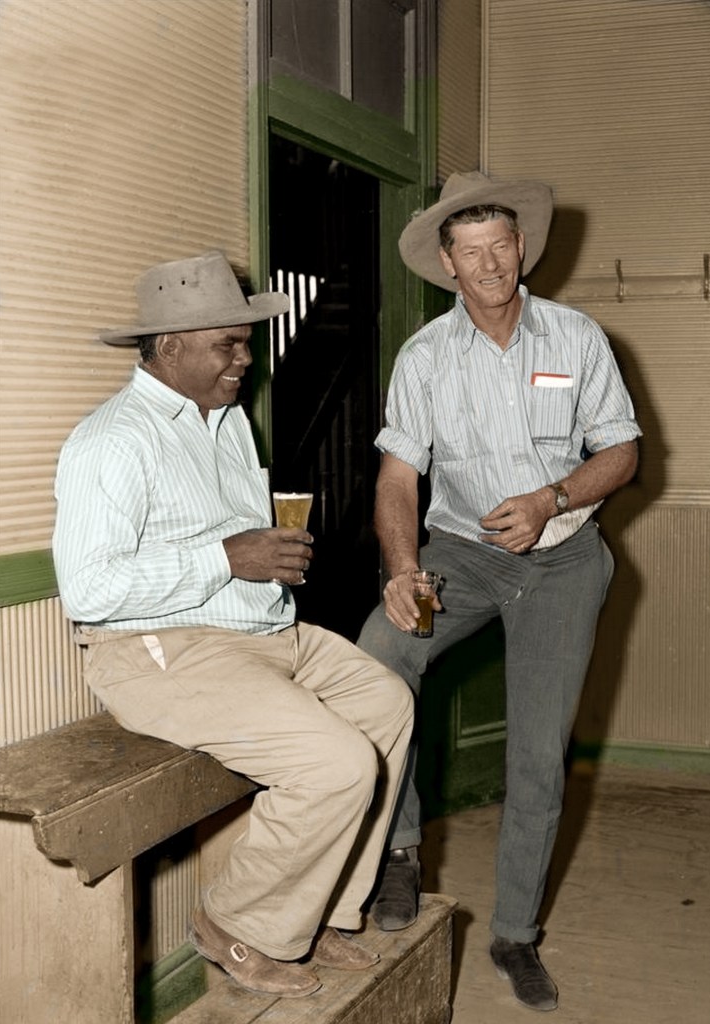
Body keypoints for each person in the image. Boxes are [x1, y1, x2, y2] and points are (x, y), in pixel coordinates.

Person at [52, 250, 414, 999]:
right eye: (230, 344)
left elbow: (232, 550)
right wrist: (226, 557)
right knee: (336, 762)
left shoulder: (228, 421)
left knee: (387, 705)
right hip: (157, 651)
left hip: (257, 636)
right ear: (170, 347)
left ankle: (321, 916)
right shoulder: (110, 442)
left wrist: (264, 562)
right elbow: (87, 588)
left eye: (246, 343)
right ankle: (236, 923)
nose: (245, 360)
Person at [358, 172, 641, 1012]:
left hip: (563, 558)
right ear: (447, 264)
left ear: (522, 248)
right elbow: (398, 478)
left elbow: (620, 451)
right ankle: (401, 850)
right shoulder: (424, 357)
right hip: (461, 554)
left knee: (537, 758)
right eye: (468, 252)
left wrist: (554, 497)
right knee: (378, 657)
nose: (487, 265)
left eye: (500, 246)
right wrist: (404, 571)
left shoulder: (576, 336)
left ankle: (515, 934)